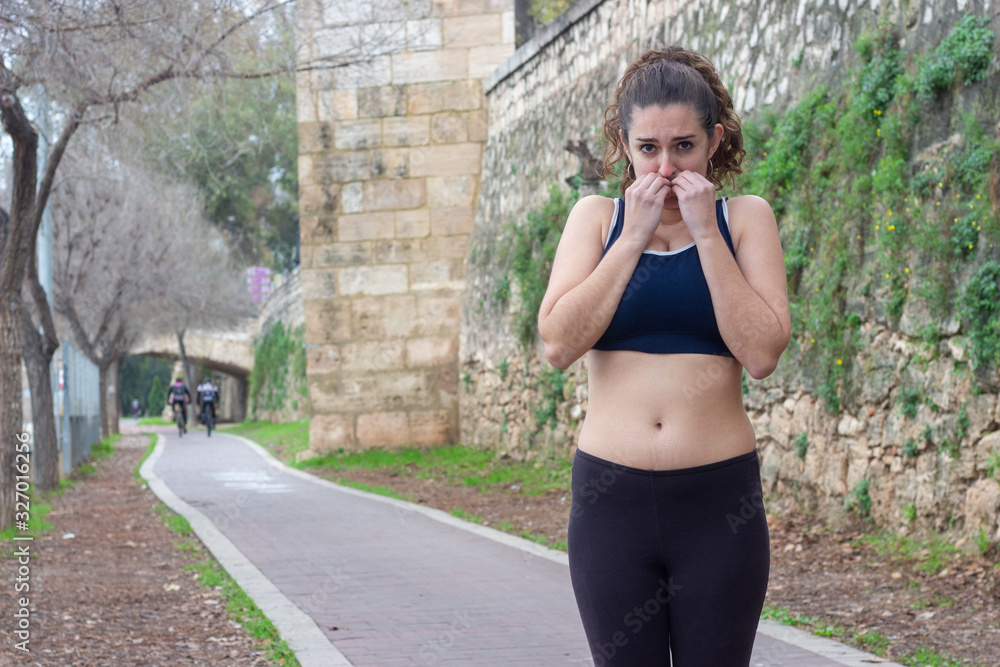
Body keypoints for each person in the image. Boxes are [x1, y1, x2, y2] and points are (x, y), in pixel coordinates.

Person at [537, 45, 791, 666]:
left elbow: (760, 353)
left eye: (684, 146)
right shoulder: (596, 219)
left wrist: (706, 232)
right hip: (610, 500)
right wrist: (632, 238)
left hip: (717, 501)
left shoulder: (745, 219)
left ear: (714, 141)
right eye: (648, 148)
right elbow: (558, 343)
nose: (667, 167)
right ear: (625, 147)